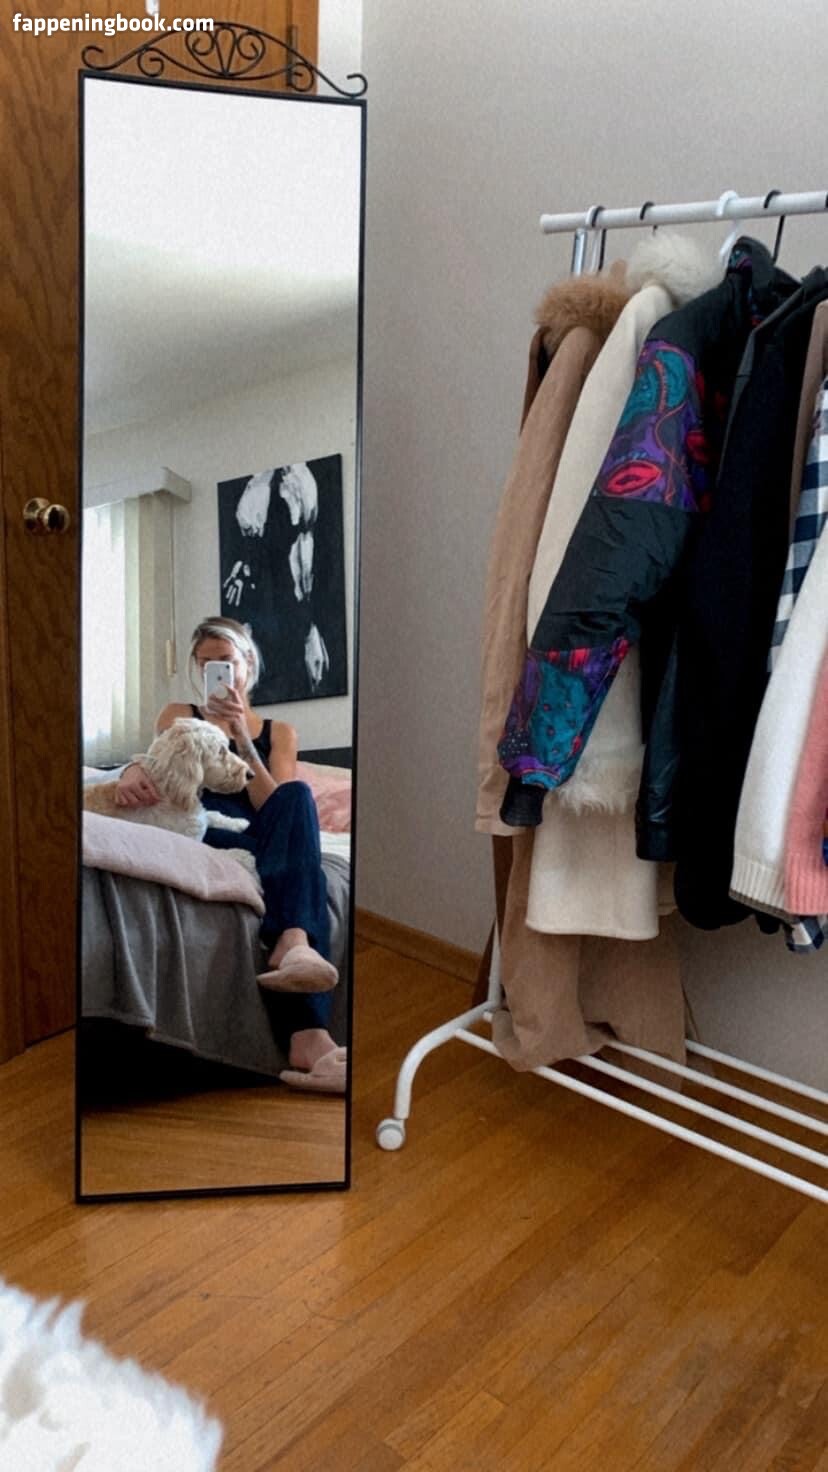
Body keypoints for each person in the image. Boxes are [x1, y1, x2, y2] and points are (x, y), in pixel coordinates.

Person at [114, 615, 346, 1094]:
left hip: (262, 834)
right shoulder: (179, 713)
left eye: (225, 661)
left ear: (248, 664)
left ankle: (293, 945)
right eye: (205, 664)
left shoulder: (280, 732)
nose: (214, 672)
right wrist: (132, 769)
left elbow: (276, 807)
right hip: (206, 828)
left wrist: (242, 738)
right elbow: (161, 769)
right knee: (300, 879)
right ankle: (309, 1032)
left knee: (298, 799)